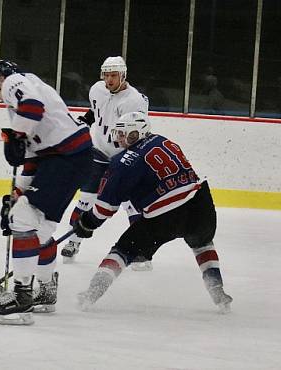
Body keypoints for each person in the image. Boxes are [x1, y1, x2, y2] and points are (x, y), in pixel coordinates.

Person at [73, 112, 233, 313]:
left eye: (126, 134)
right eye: (119, 133)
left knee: (122, 251)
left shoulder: (122, 162)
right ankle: (218, 292)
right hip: (199, 204)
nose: (121, 139)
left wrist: (87, 222)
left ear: (139, 132)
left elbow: (105, 207)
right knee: (202, 244)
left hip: (163, 216)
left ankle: (91, 294)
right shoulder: (164, 141)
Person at [0, 60, 93, 325]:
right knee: (39, 229)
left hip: (65, 157)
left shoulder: (14, 81)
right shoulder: (22, 104)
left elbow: (33, 106)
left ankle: (22, 297)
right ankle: (44, 291)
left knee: (22, 219)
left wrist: (15, 135)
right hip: (68, 157)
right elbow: (33, 158)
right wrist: (17, 192)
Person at [62, 56, 150, 268]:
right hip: (99, 151)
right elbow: (96, 111)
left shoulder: (135, 101)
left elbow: (140, 132)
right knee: (86, 199)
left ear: (123, 75)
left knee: (131, 204)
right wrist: (84, 120)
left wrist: (132, 157)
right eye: (106, 75)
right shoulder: (96, 90)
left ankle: (141, 251)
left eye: (114, 75)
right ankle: (74, 241)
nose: (109, 80)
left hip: (124, 156)